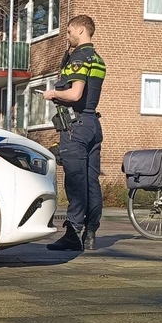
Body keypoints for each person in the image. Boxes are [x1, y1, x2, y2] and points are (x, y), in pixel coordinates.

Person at [42, 15, 106, 252]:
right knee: (91, 182)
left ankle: (72, 234)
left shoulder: (79, 58)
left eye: (69, 31)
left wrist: (53, 94)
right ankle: (90, 234)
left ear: (80, 30)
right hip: (92, 124)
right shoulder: (98, 59)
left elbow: (75, 94)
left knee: (76, 183)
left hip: (76, 127)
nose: (67, 36)